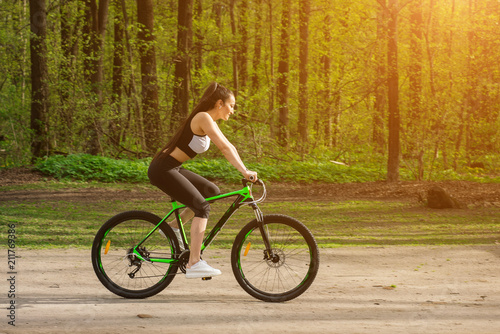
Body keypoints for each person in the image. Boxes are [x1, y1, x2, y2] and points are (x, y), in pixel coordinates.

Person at [148, 82, 258, 279]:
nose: (233, 111)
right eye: (231, 105)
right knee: (202, 208)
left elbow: (229, 146)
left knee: (211, 192)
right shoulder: (203, 117)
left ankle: (173, 227)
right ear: (219, 103)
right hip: (162, 169)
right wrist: (244, 171)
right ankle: (194, 262)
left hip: (173, 167)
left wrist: (245, 170)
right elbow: (224, 149)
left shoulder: (209, 121)